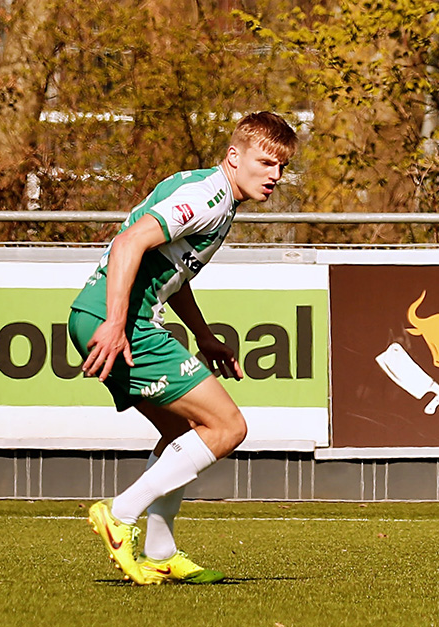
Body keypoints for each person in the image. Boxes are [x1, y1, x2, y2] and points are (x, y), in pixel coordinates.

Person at [68, 111, 298, 585]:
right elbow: (129, 244)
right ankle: (120, 514)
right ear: (235, 156)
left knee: (184, 434)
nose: (275, 175)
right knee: (227, 426)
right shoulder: (208, 198)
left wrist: (202, 333)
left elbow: (171, 269)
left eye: (282, 167)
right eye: (266, 162)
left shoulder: (209, 189)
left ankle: (160, 550)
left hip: (114, 318)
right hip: (120, 322)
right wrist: (116, 323)